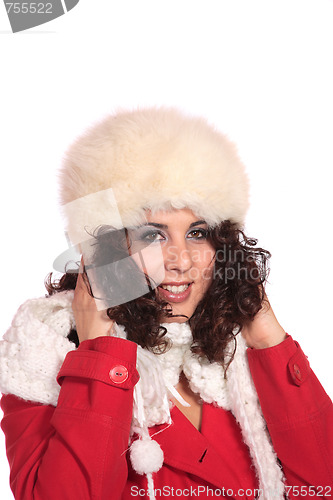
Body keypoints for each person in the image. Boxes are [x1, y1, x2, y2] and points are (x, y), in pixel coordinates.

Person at [0, 107, 332, 500]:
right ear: (106, 251)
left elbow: (320, 485)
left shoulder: (233, 355)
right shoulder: (46, 356)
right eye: (152, 236)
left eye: (197, 232)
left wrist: (267, 338)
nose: (181, 260)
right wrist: (99, 352)